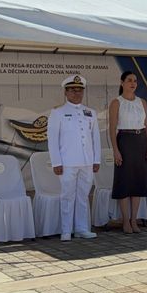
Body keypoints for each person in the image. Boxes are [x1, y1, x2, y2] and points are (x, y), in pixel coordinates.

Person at [47, 75, 100, 242]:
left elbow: (95, 137)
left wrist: (96, 160)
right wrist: (56, 162)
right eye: (73, 90)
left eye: (80, 90)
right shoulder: (58, 112)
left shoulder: (90, 112)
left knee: (83, 196)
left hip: (87, 161)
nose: (77, 93)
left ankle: (81, 228)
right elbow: (52, 139)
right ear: (66, 92)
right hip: (67, 162)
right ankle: (66, 230)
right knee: (67, 196)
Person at [109, 71, 147, 234]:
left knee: (138, 181)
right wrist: (116, 150)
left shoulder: (142, 102)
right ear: (122, 83)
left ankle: (134, 219)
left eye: (135, 80)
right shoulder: (116, 102)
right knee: (125, 181)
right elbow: (112, 128)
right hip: (125, 141)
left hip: (140, 141)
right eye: (129, 80)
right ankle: (125, 220)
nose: (133, 83)